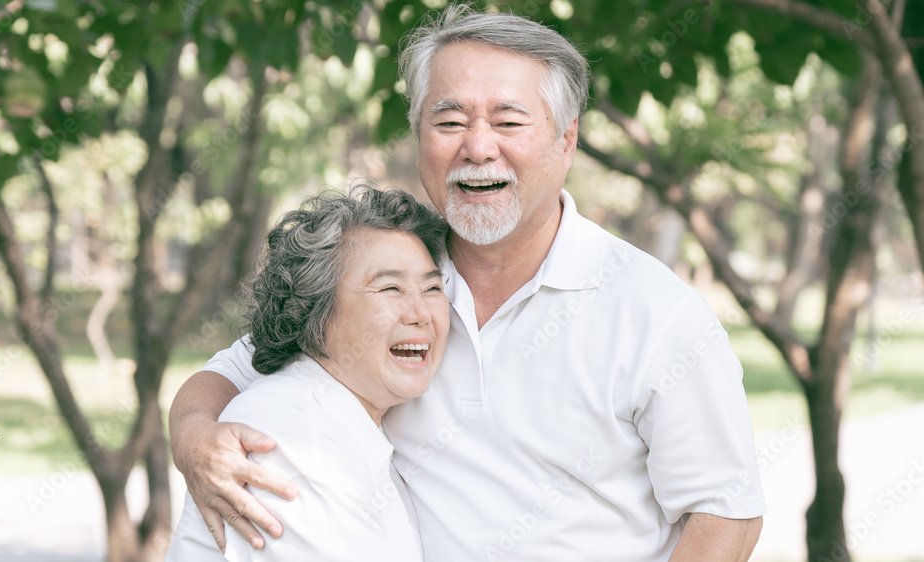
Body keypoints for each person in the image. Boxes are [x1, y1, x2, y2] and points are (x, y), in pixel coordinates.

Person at [169, 5, 767, 560]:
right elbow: (237, 372)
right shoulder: (393, 275)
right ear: (418, 138)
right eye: (449, 121)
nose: (478, 148)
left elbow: (726, 512)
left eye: (509, 121)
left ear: (566, 140)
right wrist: (195, 440)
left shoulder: (655, 312)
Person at [166, 186, 450, 561]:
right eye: (390, 288)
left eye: (432, 287)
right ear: (317, 310)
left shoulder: (342, 413)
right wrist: (190, 429)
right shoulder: (288, 443)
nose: (421, 313)